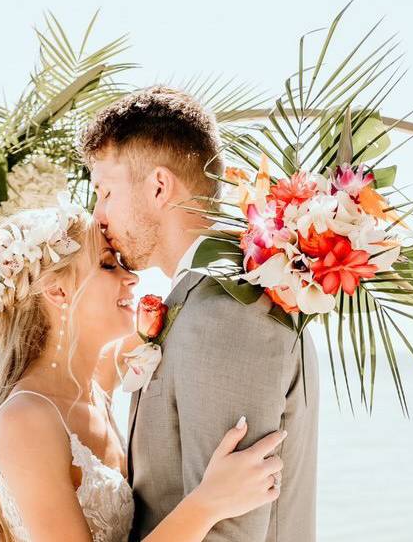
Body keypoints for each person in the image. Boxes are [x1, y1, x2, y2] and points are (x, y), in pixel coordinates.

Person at [81, 86, 319, 542]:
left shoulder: (229, 313)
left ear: (158, 186)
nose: (99, 216)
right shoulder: (199, 300)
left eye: (106, 192)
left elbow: (228, 533)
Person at [0, 196, 288, 542]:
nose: (132, 278)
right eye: (109, 265)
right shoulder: (26, 418)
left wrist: (289, 242)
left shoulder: (96, 382)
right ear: (58, 291)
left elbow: (190, 305)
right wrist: (208, 503)